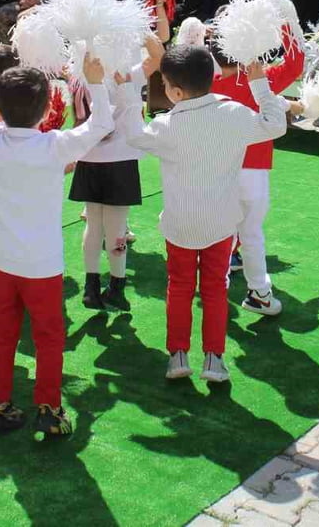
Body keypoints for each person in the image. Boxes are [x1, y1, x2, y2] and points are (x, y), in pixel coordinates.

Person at [0, 23, 114, 437]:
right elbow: (101, 124)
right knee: (49, 336)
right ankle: (49, 410)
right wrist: (96, 83)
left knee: (2, 331)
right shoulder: (55, 145)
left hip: (1, 259)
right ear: (45, 109)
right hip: (42, 264)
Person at [119, 44, 289, 383]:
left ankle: (178, 355)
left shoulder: (166, 125)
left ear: (174, 90)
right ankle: (214, 359)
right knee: (215, 289)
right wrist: (259, 83)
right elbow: (275, 125)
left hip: (180, 223)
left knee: (180, 287)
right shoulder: (234, 113)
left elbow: (133, 134)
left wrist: (127, 90)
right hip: (221, 223)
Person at [208, 27, 304, 315]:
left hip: (217, 171)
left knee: (221, 233)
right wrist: (284, 22)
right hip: (252, 172)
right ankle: (259, 293)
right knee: (250, 234)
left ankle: (215, 288)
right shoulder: (262, 79)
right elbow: (296, 62)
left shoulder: (205, 84)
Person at [71, 38, 162, 312]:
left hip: (89, 158)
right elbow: (158, 57)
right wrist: (142, 31)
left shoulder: (82, 72)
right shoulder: (127, 73)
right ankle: (116, 287)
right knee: (117, 229)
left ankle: (91, 287)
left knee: (93, 225)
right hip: (121, 161)